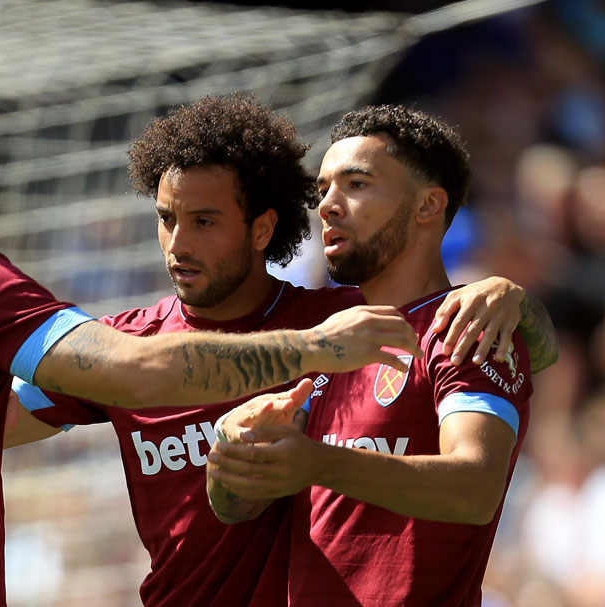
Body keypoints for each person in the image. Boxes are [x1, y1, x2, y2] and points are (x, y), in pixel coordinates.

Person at [0, 84, 553, 606]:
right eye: (165, 219)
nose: (177, 243)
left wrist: (513, 298)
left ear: (262, 227)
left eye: (202, 221)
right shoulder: (134, 344)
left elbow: (461, 342)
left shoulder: (335, 322)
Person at [207, 105, 540, 606]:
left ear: (428, 205)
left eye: (356, 184)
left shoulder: (467, 328)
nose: (328, 206)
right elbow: (236, 508)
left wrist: (314, 462)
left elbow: (475, 488)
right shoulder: (322, 338)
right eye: (323, 190)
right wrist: (233, 457)